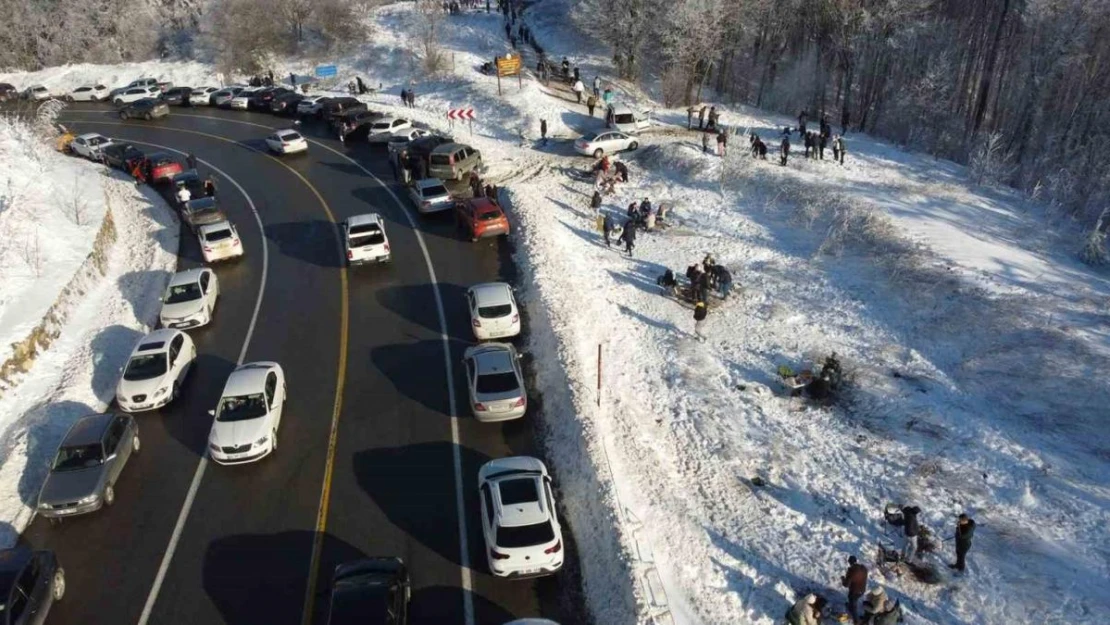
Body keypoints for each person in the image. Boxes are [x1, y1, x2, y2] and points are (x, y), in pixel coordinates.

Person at [842, 555, 868, 621]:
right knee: (851, 600)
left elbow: (846, 585)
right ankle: (850, 607)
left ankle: (857, 621)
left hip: (854, 592)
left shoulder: (851, 571)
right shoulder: (863, 568)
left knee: (854, 606)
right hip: (862, 590)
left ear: (850, 563)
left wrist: (843, 579)